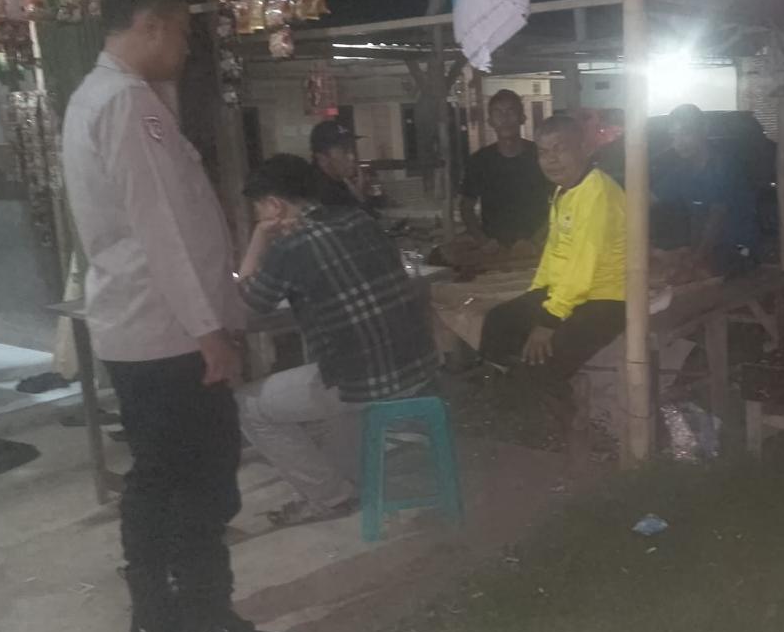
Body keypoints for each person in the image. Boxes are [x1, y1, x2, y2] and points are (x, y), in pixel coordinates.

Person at [61, 0, 299, 632]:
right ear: (151, 24)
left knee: (156, 477)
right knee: (203, 480)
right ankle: (207, 629)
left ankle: (156, 613)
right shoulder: (127, 104)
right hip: (169, 334)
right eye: (184, 33)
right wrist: (209, 333)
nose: (188, 48)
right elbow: (162, 231)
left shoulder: (92, 97)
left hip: (138, 329)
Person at [235, 154, 439, 527]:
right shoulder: (359, 219)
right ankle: (346, 480)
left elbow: (248, 303)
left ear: (274, 205)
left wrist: (259, 238)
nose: (260, 217)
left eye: (259, 210)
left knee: (245, 405)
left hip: (364, 381)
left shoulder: (289, 247)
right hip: (416, 364)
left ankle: (329, 497)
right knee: (329, 378)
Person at [479, 114, 626, 381]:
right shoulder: (563, 191)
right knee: (498, 322)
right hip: (569, 292)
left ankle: (540, 397)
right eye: (543, 152)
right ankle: (500, 389)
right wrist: (536, 293)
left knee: (545, 357)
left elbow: (582, 265)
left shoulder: (597, 193)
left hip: (605, 298)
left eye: (560, 150)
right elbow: (554, 250)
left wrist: (549, 320)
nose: (551, 160)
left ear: (584, 149)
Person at [653, 103, 760, 282]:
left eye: (686, 133)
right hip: (708, 250)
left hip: (738, 250)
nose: (679, 143)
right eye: (673, 136)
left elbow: (716, 218)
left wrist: (696, 258)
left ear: (704, 129)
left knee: (685, 278)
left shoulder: (723, 167)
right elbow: (647, 198)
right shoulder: (682, 172)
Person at [458, 89, 552, 256]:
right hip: (494, 250)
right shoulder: (480, 161)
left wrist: (536, 241)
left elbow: (560, 202)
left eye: (511, 111)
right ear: (490, 121)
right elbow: (466, 207)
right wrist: (483, 241)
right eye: (498, 113)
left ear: (522, 118)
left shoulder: (540, 155)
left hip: (538, 249)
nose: (505, 118)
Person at [309, 117, 381, 215]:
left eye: (351, 148)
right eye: (344, 151)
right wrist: (359, 198)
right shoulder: (322, 193)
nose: (352, 157)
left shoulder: (340, 182)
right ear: (323, 158)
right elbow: (366, 223)